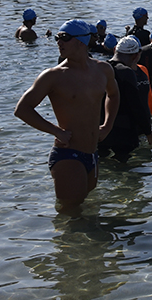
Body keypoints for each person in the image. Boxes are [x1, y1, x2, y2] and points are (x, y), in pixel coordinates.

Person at [15, 20, 119, 208]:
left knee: (89, 211)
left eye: (64, 38)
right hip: (68, 155)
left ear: (81, 41)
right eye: (57, 38)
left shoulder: (103, 69)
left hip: (92, 153)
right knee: (71, 214)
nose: (59, 42)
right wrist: (56, 131)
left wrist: (107, 126)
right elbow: (22, 109)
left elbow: (113, 95)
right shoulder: (54, 75)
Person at [98, 36, 152, 161]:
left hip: (101, 129)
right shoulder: (127, 72)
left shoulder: (101, 69)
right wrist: (149, 133)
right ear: (135, 56)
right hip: (123, 131)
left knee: (103, 163)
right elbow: (136, 106)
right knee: (126, 166)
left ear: (115, 50)